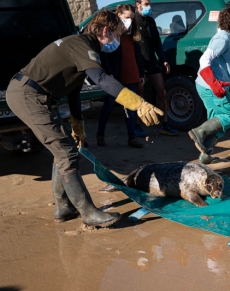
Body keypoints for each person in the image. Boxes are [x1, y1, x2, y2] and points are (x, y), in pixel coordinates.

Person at [5, 10, 163, 227]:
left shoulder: (81, 46)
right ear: (105, 30)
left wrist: (77, 125)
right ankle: (87, 212)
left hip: (33, 94)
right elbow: (102, 79)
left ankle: (64, 207)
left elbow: (73, 90)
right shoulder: (83, 45)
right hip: (29, 94)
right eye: (117, 35)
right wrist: (137, 102)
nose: (117, 40)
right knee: (66, 152)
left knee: (63, 148)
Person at [188, 3, 230, 164]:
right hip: (211, 86)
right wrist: (214, 84)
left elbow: (229, 66)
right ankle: (200, 131)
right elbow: (204, 59)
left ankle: (205, 154)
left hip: (208, 85)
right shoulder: (223, 38)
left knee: (217, 119)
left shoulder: (228, 39)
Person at [96, 4, 146, 148]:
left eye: (131, 17)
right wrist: (109, 72)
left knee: (130, 106)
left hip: (129, 75)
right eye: (126, 17)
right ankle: (100, 134)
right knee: (109, 105)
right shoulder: (111, 34)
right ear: (119, 16)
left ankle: (132, 137)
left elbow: (138, 56)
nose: (129, 21)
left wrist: (140, 73)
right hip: (114, 77)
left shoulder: (133, 34)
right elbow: (104, 54)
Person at [134, 0, 179, 136]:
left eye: (149, 4)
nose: (149, 6)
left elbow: (157, 42)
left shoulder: (151, 21)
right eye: (146, 3)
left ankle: (165, 124)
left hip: (152, 62)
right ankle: (136, 126)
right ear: (138, 4)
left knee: (163, 93)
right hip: (139, 63)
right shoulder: (133, 21)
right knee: (139, 96)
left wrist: (163, 60)